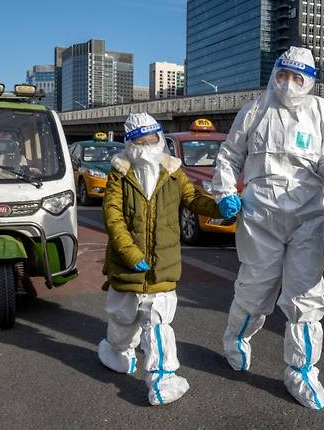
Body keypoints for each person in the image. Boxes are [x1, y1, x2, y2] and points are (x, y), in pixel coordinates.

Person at [211, 46, 324, 410]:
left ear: (310, 81)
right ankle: (236, 339)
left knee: (306, 296)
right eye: (283, 75)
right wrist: (225, 191)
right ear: (275, 73)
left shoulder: (321, 112)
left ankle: (301, 370)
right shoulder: (255, 109)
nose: (289, 84)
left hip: (309, 214)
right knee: (255, 287)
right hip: (261, 215)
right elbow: (229, 155)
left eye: (297, 77)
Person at [98, 112, 238, 406]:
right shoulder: (118, 174)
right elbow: (113, 218)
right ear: (129, 143)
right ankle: (116, 349)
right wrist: (130, 253)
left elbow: (193, 199)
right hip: (127, 267)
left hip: (163, 265)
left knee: (158, 322)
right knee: (123, 321)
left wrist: (219, 207)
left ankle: (164, 377)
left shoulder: (173, 172)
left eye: (152, 139)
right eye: (141, 140)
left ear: (159, 138)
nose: (148, 146)